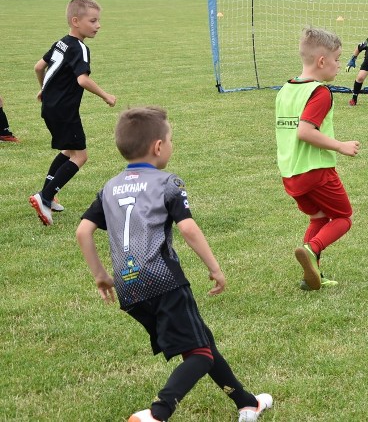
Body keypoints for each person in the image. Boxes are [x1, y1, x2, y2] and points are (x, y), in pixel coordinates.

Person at [75, 106, 273, 422]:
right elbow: (188, 228)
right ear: (158, 146)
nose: (171, 144)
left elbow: (83, 230)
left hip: (129, 287)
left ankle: (247, 403)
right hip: (164, 280)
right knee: (199, 354)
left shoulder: (109, 187)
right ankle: (158, 412)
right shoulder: (168, 182)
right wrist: (215, 267)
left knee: (201, 340)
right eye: (170, 139)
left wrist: (101, 275)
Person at [276, 28, 360, 290]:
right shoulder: (320, 92)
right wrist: (340, 146)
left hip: (290, 173)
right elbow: (304, 131)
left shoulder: (286, 89)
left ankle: (312, 275)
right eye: (337, 59)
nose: (338, 65)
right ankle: (311, 250)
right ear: (322, 61)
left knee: (319, 218)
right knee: (343, 217)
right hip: (316, 169)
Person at [29, 0, 117, 226]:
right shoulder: (80, 48)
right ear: (76, 21)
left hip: (51, 106)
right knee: (80, 156)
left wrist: (44, 90)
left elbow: (40, 66)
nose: (98, 25)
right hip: (64, 110)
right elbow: (82, 80)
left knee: (68, 151)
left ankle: (48, 194)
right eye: (93, 20)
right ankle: (45, 197)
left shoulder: (61, 42)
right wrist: (106, 95)